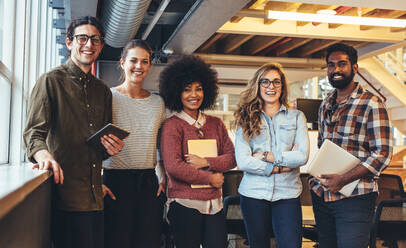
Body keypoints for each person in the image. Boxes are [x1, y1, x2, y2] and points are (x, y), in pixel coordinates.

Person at [23, 16, 124, 248]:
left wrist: (111, 148)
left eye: (95, 40)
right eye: (82, 38)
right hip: (64, 199)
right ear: (69, 43)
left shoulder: (103, 91)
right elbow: (33, 133)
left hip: (96, 199)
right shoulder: (50, 81)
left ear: (100, 45)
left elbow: (100, 147)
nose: (89, 44)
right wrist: (44, 155)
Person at [309, 43, 392, 248]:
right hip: (322, 195)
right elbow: (322, 145)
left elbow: (382, 153)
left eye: (341, 64)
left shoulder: (371, 103)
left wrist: (344, 178)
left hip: (356, 198)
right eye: (331, 65)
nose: (335, 70)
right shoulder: (326, 104)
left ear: (354, 68)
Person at [159, 55, 236, 248]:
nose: (194, 95)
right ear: (176, 92)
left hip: (214, 204)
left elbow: (232, 158)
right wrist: (209, 179)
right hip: (184, 204)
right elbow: (173, 167)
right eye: (187, 90)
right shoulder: (172, 125)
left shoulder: (216, 123)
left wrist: (207, 162)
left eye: (198, 89)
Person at [234, 62, 309, 248]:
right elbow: (243, 161)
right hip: (253, 194)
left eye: (276, 82)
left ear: (282, 86)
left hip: (287, 195)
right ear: (258, 85)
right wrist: (278, 167)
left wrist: (267, 156)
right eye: (265, 82)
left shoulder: (297, 116)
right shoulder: (245, 118)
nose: (271, 87)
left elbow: (302, 156)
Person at [102, 39, 166, 248]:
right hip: (115, 181)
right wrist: (96, 180)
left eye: (144, 61)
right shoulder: (107, 97)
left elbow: (159, 143)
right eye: (133, 60)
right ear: (122, 63)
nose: (139, 66)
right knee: (117, 242)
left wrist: (162, 173)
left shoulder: (158, 102)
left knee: (148, 242)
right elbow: (94, 142)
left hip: (148, 181)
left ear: (150, 65)